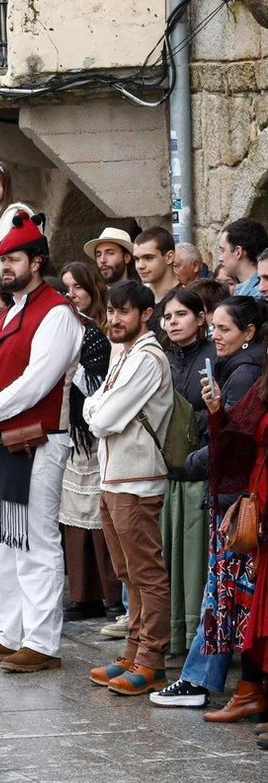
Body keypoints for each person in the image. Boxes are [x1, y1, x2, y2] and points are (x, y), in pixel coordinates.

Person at [0, 207, 83, 674]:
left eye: (15, 258)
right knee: (2, 542)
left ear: (37, 261)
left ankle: (42, 641)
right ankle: (11, 632)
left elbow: (39, 381)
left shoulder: (57, 313)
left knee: (35, 542)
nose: (6, 267)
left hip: (37, 440)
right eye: (3, 259)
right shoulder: (8, 313)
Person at [150, 297, 265, 714]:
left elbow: (236, 440)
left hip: (240, 500)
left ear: (249, 333)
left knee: (225, 595)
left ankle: (203, 679)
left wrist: (188, 460)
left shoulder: (246, 370)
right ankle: (208, 677)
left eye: (224, 329)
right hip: (234, 495)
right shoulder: (236, 367)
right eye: (213, 327)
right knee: (224, 594)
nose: (214, 335)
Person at [81, 280, 174, 696]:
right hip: (115, 476)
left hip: (138, 478)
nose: (113, 320)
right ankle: (134, 650)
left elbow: (101, 418)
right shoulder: (126, 354)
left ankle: (151, 659)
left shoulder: (148, 357)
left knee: (146, 573)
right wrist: (99, 408)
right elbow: (92, 405)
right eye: (111, 312)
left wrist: (99, 408)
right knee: (127, 572)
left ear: (145, 314)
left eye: (123, 312)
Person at [57, 262, 121, 624]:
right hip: (72, 434)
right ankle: (83, 595)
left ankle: (110, 596)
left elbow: (99, 386)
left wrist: (74, 369)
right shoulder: (68, 327)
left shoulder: (97, 331)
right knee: (76, 518)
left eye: (77, 287)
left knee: (98, 516)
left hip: (94, 433)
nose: (71, 294)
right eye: (65, 288)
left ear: (91, 288)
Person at [156, 289, 212, 654]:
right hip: (166, 470)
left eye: (180, 315)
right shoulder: (162, 358)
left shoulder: (213, 357)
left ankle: (196, 637)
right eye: (167, 317)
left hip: (198, 470)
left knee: (194, 559)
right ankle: (172, 635)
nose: (172, 322)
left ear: (200, 318)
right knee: (168, 555)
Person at [217, 217, 267, 297]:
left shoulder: (258, 296)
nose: (220, 258)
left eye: (223, 250)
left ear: (238, 252)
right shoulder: (242, 290)